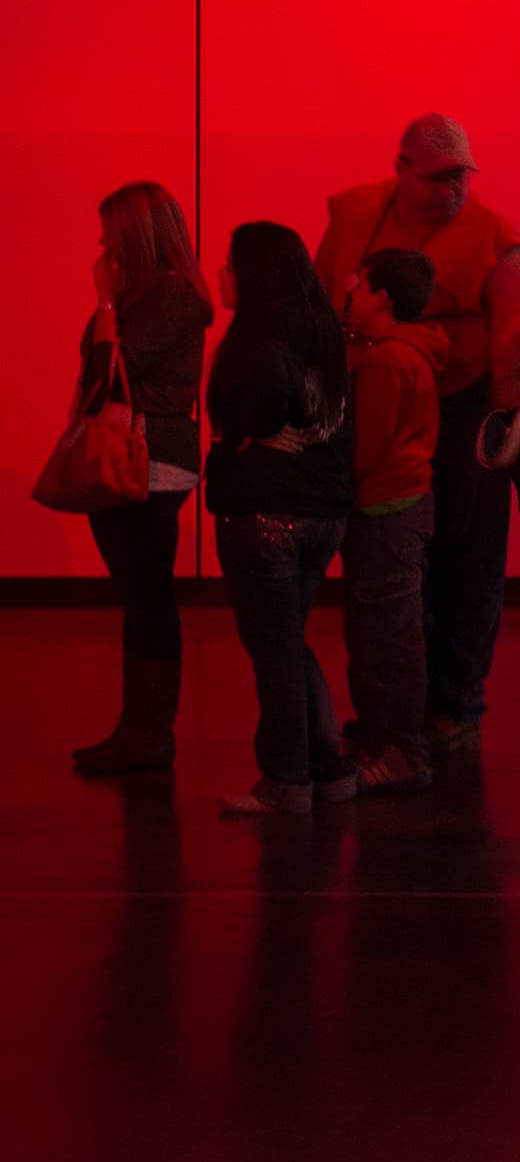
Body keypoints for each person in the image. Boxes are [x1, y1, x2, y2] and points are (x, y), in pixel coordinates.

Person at [312, 114, 520, 754]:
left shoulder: (491, 232)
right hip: (371, 392)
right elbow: (326, 299)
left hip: (463, 406)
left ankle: (457, 700)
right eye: (436, 179)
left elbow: (514, 324)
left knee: (467, 553)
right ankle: (401, 706)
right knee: (395, 558)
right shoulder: (354, 212)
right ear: (401, 168)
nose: (450, 191)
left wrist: (504, 415)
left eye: (460, 177)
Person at [206, 222, 355, 815]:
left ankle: (287, 780)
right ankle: (330, 766)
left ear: (256, 273)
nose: (221, 275)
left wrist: (248, 435)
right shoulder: (323, 332)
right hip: (321, 513)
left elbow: (265, 394)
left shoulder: (255, 338)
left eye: (229, 264)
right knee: (289, 641)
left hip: (263, 512)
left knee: (272, 649)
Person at [67, 182, 210, 779]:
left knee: (147, 592)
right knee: (139, 592)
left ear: (137, 235)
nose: (102, 242)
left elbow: (108, 369)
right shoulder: (146, 294)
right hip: (139, 452)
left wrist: (104, 305)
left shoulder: (172, 296)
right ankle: (139, 729)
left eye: (112, 230)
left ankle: (151, 734)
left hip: (151, 453)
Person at [335, 248, 450, 795]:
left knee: (386, 639)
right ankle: (389, 741)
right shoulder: (413, 353)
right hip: (406, 506)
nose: (351, 295)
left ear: (382, 297)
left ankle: (399, 750)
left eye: (359, 285)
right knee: (392, 633)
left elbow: (367, 446)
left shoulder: (386, 362)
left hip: (383, 509)